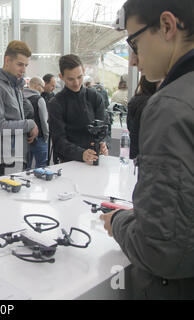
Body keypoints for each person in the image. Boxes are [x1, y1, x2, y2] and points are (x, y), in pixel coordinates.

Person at [101, 0, 194, 299]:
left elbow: (161, 250)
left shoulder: (171, 106)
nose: (132, 60)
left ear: (167, 26)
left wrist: (119, 222)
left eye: (134, 43)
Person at [0, 40, 38, 176]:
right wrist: (29, 124)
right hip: (5, 157)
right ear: (7, 60)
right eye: (20, 64)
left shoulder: (15, 85)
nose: (23, 70)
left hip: (19, 153)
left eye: (26, 65)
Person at [47, 54, 108, 165]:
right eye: (70, 79)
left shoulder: (95, 97)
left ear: (84, 71)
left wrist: (103, 143)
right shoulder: (56, 103)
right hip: (68, 163)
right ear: (61, 77)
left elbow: (103, 128)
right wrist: (81, 153)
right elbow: (58, 141)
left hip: (95, 160)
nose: (76, 83)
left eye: (79, 77)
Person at [126, 75, 158, 160]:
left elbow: (130, 126)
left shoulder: (134, 101)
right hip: (149, 153)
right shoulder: (154, 103)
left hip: (134, 149)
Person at [24, 77, 49, 169]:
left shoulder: (20, 98)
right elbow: (44, 121)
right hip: (39, 138)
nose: (43, 90)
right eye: (42, 87)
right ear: (36, 86)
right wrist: (46, 136)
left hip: (23, 138)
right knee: (41, 166)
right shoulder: (39, 99)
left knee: (26, 168)